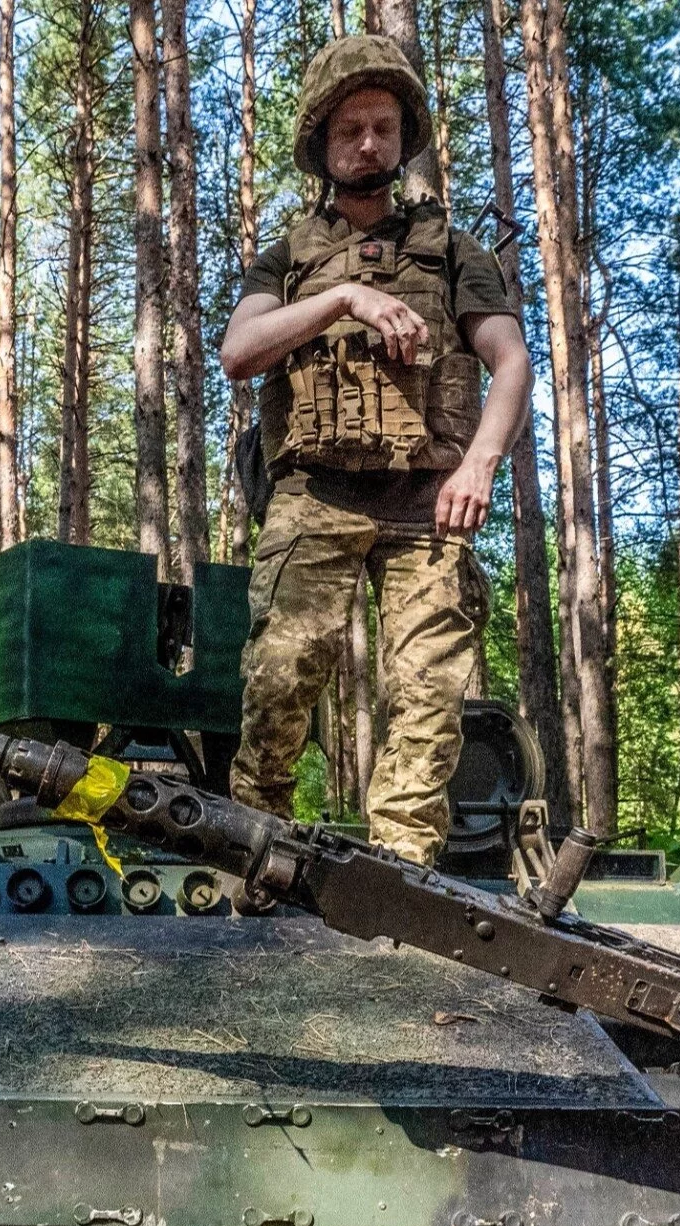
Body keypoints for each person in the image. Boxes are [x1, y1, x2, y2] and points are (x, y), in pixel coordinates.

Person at [217, 33, 533, 866]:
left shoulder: (454, 253)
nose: (368, 144)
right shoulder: (287, 259)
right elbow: (238, 354)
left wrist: (479, 465)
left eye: (384, 128)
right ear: (322, 142)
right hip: (314, 496)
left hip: (428, 502)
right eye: (351, 128)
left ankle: (401, 881)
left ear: (404, 137)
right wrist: (343, 298)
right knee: (278, 688)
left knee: (428, 702)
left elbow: (511, 361)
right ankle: (260, 860)